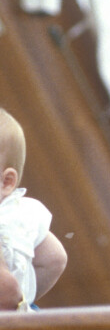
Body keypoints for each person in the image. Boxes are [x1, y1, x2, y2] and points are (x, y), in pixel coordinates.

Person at [0, 108, 68, 311]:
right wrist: (26, 302)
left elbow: (7, 290)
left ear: (7, 181)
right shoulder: (24, 213)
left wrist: (14, 299)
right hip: (23, 320)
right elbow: (56, 259)